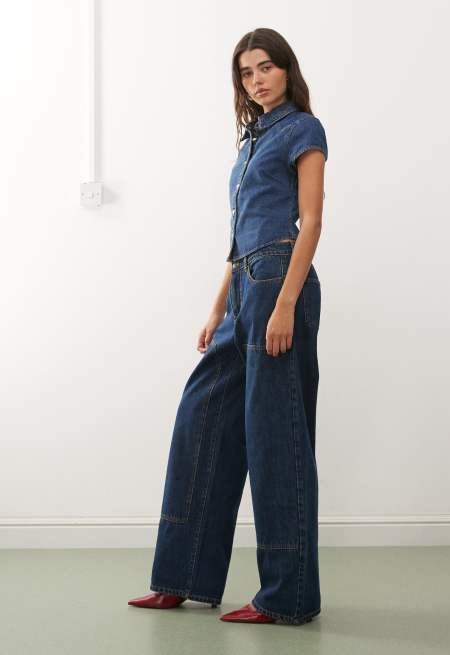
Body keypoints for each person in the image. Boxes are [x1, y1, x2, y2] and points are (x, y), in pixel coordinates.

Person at [128, 27, 328, 626]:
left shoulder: (304, 130)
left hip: (278, 282)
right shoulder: (249, 144)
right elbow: (237, 237)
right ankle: (183, 576)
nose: (257, 80)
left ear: (287, 70)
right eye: (246, 72)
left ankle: (288, 596)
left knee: (275, 437)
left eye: (266, 67)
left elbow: (311, 222)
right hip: (243, 285)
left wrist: (285, 303)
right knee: (201, 421)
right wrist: (218, 307)